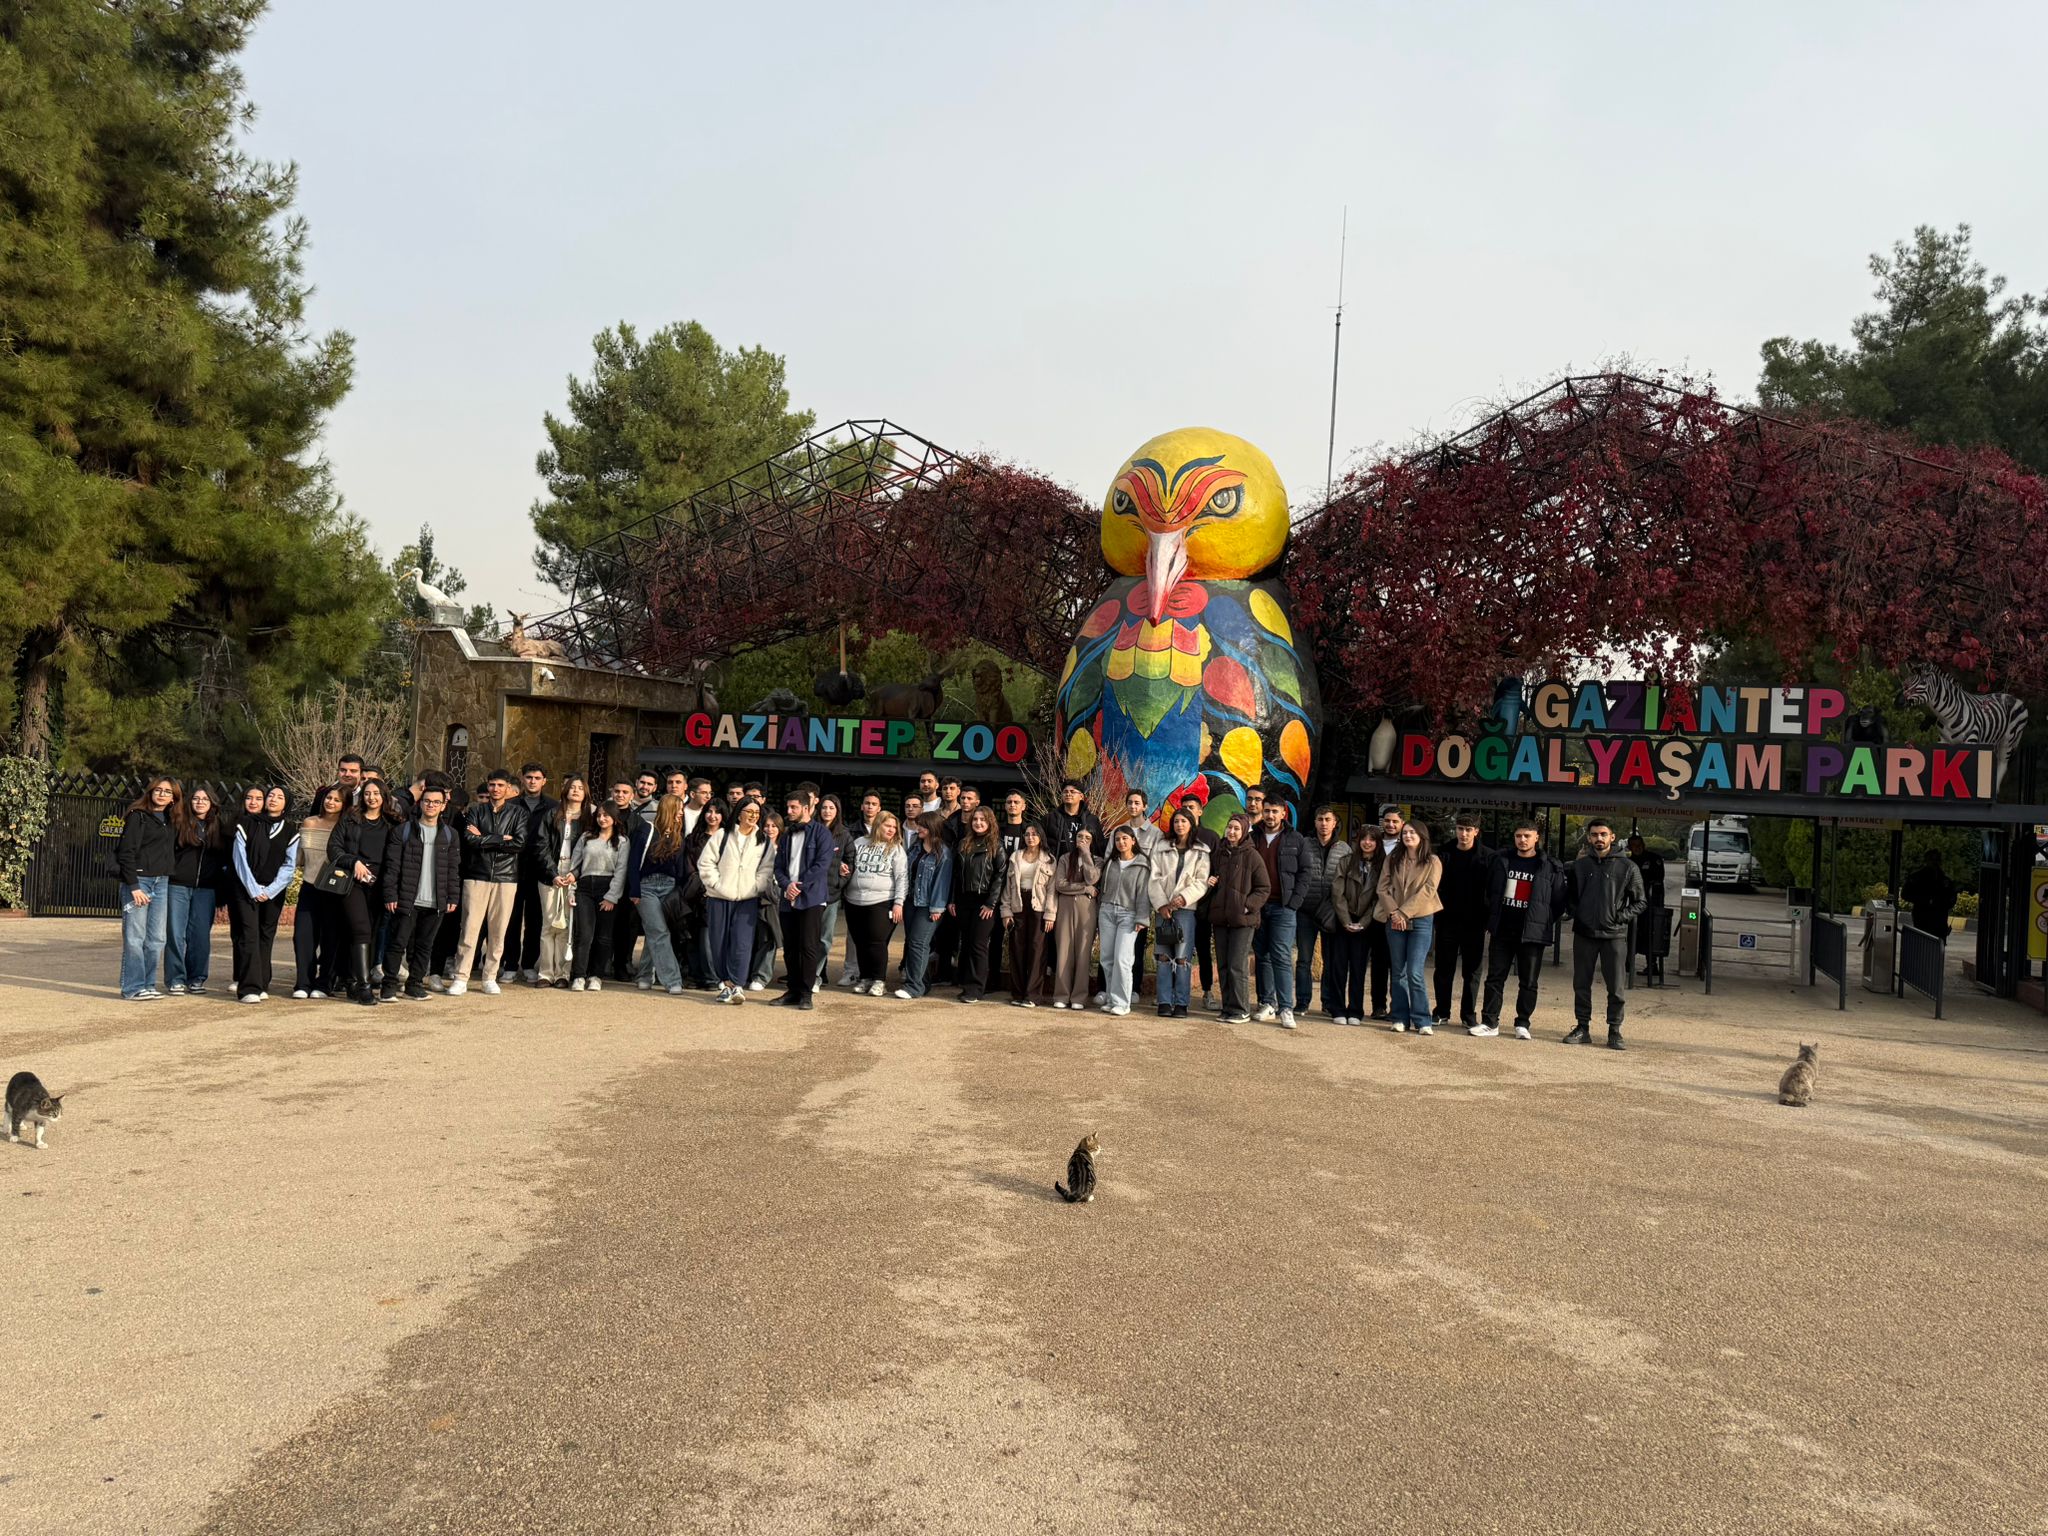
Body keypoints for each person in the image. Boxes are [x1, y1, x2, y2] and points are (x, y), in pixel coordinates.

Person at [436, 768, 529, 997]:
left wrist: (485, 839)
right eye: (491, 785)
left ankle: (490, 976)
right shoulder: (475, 812)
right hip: (476, 875)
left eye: (499, 785)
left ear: (508, 788)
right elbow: (470, 841)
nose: (495, 789)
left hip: (506, 878)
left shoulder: (518, 814)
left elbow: (518, 843)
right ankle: (461, 977)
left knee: (498, 930)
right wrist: (499, 838)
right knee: (469, 929)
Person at [1473, 820, 1566, 1040]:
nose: (1522, 840)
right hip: (1503, 930)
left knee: (1529, 981)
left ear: (1536, 838)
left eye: (1527, 836)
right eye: (1518, 836)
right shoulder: (1500, 860)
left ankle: (1522, 1023)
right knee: (1495, 978)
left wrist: (1543, 921)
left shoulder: (1550, 865)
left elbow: (1559, 900)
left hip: (1533, 934)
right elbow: (1488, 891)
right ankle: (1489, 1022)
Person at [1564, 818, 1646, 1049]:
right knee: (1581, 984)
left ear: (1612, 836)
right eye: (1594, 834)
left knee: (1616, 987)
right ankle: (1582, 1027)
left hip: (1614, 936)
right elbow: (1570, 897)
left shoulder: (1628, 867)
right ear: (1588, 838)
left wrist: (1618, 917)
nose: (1598, 838)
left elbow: (1640, 902)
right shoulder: (1579, 866)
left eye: (1603, 834)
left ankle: (1615, 1031)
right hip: (1584, 934)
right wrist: (1577, 913)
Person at [379, 779, 460, 1000]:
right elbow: (391, 866)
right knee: (397, 944)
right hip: (407, 898)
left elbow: (453, 869)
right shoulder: (403, 831)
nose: (431, 805)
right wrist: (390, 894)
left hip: (435, 901)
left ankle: (414, 984)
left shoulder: (450, 835)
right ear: (420, 803)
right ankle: (389, 985)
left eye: (436, 802)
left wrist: (452, 896)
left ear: (444, 806)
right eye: (427, 801)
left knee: (425, 946)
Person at [328, 777, 401, 1006]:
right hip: (353, 881)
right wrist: (353, 862)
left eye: (376, 793)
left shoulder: (393, 822)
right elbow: (334, 847)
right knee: (360, 929)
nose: (372, 797)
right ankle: (365, 986)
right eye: (368, 793)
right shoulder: (351, 818)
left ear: (384, 796)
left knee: (368, 934)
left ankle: (351, 979)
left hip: (380, 884)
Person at [699, 798, 773, 1003]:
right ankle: (726, 983)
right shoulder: (722, 835)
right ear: (739, 812)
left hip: (747, 899)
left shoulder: (763, 840)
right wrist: (716, 884)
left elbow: (766, 869)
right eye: (748, 811)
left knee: (742, 942)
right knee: (718, 941)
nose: (752, 815)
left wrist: (756, 887)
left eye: (756, 812)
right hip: (719, 898)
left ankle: (738, 984)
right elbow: (705, 863)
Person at [229, 785, 297, 1003]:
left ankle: (262, 982)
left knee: (266, 936)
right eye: (271, 796)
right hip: (246, 889)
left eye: (279, 797)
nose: (273, 799)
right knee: (249, 935)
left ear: (286, 803)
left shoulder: (291, 830)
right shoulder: (246, 824)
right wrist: (254, 889)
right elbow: (239, 858)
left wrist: (270, 890)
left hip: (273, 892)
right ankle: (249, 987)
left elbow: (290, 865)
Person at [773, 784, 836, 1010]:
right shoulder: (787, 834)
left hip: (811, 898)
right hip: (788, 897)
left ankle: (806, 993)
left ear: (807, 808)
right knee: (789, 947)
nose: (788, 811)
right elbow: (778, 866)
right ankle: (793, 990)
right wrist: (786, 885)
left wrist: (798, 885)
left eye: (793, 807)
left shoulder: (822, 833)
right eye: (788, 807)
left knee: (808, 947)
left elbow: (822, 865)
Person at [116, 777, 180, 1000]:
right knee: (135, 937)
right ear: (150, 792)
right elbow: (125, 853)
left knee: (157, 938)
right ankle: (132, 987)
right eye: (158, 790)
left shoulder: (171, 821)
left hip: (161, 882)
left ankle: (149, 984)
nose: (162, 794)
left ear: (174, 798)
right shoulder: (138, 817)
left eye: (167, 792)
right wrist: (133, 886)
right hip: (139, 882)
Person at [1379, 822, 1443, 1035]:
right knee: (1398, 971)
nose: (1407, 836)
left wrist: (1404, 913)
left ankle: (1422, 1019)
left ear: (1422, 835)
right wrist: (1394, 913)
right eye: (1405, 833)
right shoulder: (1393, 858)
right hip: (1395, 918)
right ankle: (1399, 1017)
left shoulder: (1433, 861)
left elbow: (1429, 890)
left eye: (1412, 832)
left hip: (1421, 918)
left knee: (1414, 971)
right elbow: (1383, 888)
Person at [1432, 812, 1495, 1029]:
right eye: (1460, 829)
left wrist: (1488, 919)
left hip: (1475, 923)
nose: (1464, 834)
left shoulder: (1488, 856)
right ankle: (1441, 1011)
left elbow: (1493, 890)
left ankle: (1468, 1014)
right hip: (1446, 920)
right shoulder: (1444, 853)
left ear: (1476, 832)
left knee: (1472, 972)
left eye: (1468, 830)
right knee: (1443, 968)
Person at [166, 785, 230, 996]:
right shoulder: (179, 823)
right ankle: (175, 979)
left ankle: (197, 978)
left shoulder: (218, 827)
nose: (200, 802)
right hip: (178, 885)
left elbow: (225, 859)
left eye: (205, 799)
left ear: (212, 803)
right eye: (196, 798)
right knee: (175, 934)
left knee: (200, 935)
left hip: (206, 889)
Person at [1251, 796, 1308, 1028]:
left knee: (1281, 956)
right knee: (1262, 956)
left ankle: (1286, 1007)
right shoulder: (1252, 837)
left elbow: (1305, 873)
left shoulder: (1295, 839)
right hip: (1258, 905)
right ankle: (1268, 1003)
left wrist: (1294, 902)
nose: (1270, 816)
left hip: (1283, 907)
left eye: (1275, 811)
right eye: (1267, 811)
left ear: (1284, 813)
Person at [1149, 809, 1210, 1018]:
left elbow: (1201, 881)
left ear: (1191, 823)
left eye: (1184, 821)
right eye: (1176, 821)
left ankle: (1182, 1003)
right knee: (1164, 956)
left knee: (1183, 958)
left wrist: (1183, 897)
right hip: (1163, 909)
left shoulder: (1201, 851)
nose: (1179, 825)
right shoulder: (1161, 848)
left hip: (1185, 909)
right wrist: (1162, 904)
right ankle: (1164, 1001)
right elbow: (1153, 878)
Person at [1210, 815, 1271, 1025]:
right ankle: (1227, 1006)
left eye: (1236, 828)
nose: (1232, 832)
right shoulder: (1219, 853)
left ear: (1244, 831)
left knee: (1237, 965)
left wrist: (1246, 906)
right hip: (1220, 917)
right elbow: (1212, 877)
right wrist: (1212, 882)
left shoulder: (1252, 856)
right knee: (1224, 965)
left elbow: (1264, 888)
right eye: (1229, 827)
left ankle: (1241, 1008)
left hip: (1243, 920)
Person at [628, 794, 690, 995]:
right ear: (669, 809)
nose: (681, 812)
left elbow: (680, 869)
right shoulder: (646, 830)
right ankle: (672, 980)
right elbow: (633, 862)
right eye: (678, 809)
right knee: (659, 932)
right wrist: (634, 890)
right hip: (646, 887)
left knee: (655, 932)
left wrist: (679, 892)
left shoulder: (679, 834)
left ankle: (644, 975)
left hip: (670, 888)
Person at [290, 784, 348, 999]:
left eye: (337, 799)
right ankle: (303, 983)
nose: (331, 802)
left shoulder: (346, 827)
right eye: (328, 798)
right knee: (302, 937)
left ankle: (324, 983)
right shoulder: (309, 822)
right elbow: (299, 858)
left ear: (345, 804)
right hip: (309, 886)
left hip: (334, 889)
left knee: (331, 938)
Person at [843, 811, 908, 998]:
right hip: (853, 900)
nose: (891, 830)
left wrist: (898, 903)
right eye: (888, 826)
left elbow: (902, 877)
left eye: (894, 827)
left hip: (881, 901)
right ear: (878, 825)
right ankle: (865, 978)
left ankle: (879, 980)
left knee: (876, 942)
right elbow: (848, 864)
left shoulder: (896, 848)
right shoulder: (858, 843)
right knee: (860, 941)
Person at [534, 774, 589, 988]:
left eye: (579, 788)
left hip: (574, 875)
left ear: (585, 793)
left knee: (567, 924)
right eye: (571, 787)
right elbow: (541, 845)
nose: (575, 790)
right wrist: (552, 873)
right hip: (551, 874)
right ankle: (545, 973)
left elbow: (590, 849)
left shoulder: (589, 819)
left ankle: (563, 973)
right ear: (565, 790)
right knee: (549, 925)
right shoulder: (552, 814)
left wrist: (575, 872)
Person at [950, 806, 1008, 1005]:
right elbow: (955, 875)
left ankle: (976, 989)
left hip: (984, 902)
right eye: (975, 819)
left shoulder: (996, 846)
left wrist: (991, 904)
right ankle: (965, 984)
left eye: (983, 820)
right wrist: (952, 900)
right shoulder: (963, 844)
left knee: (978, 945)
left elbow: (1000, 876)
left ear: (990, 822)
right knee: (965, 943)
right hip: (964, 901)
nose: (978, 823)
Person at [896, 813, 955, 1000]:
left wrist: (937, 908)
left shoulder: (943, 853)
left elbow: (942, 882)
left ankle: (914, 987)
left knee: (918, 943)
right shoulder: (915, 847)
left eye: (922, 826)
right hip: (911, 901)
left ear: (933, 828)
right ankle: (923, 983)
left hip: (929, 905)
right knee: (915, 943)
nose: (918, 828)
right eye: (918, 825)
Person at [1095, 825, 1152, 1017]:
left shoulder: (1142, 864)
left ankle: (1122, 1002)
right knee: (1107, 958)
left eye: (1125, 839)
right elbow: (1102, 889)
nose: (1121, 842)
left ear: (1133, 841)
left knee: (1123, 959)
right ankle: (1112, 999)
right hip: (1107, 911)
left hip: (1129, 914)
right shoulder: (1111, 862)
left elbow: (1144, 893)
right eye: (1118, 839)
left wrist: (1142, 917)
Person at [1298, 806, 1347, 1021]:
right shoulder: (1304, 844)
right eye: (1320, 819)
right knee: (1304, 960)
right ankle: (1302, 1001)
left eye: (1328, 819)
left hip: (1331, 912)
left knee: (1330, 959)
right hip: (1305, 910)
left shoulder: (1344, 849)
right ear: (1315, 822)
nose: (1324, 823)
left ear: (1335, 822)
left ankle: (1328, 1002)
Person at [999, 821, 1055, 1008]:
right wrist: (1005, 911)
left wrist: (1050, 914)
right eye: (1027, 834)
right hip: (1018, 904)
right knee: (1017, 948)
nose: (1030, 837)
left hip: (1038, 906)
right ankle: (1018, 993)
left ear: (1041, 837)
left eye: (1034, 834)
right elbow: (1008, 886)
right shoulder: (1015, 856)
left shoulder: (1049, 859)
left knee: (1037, 950)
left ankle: (1032, 995)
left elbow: (1052, 890)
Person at [1326, 826, 1375, 1025]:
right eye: (1364, 838)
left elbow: (1378, 898)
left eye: (1372, 839)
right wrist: (1346, 921)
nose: (1367, 842)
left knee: (1358, 967)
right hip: (1343, 921)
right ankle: (1337, 1007)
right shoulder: (1346, 862)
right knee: (1338, 966)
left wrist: (1362, 923)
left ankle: (1355, 1009)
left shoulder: (1381, 866)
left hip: (1365, 924)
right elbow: (1337, 893)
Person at [1048, 830, 1100, 1010]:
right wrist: (1084, 889)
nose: (1083, 840)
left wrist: (1086, 855)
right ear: (1074, 839)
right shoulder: (1064, 858)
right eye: (1080, 837)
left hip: (1087, 909)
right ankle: (1061, 994)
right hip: (1065, 907)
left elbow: (1092, 878)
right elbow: (1060, 885)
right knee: (1063, 950)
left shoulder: (1098, 860)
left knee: (1083, 953)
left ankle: (1079, 996)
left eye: (1087, 838)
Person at [1365, 804, 1406, 1020]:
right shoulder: (1374, 842)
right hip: (1377, 910)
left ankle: (1397, 1007)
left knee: (1397, 963)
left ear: (1403, 824)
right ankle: (1378, 1006)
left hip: (1400, 910)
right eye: (1387, 821)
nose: (1390, 825)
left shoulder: (1409, 843)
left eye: (1395, 821)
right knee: (1379, 961)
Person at [816, 795, 854, 988]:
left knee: (824, 939)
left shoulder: (844, 834)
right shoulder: (811, 829)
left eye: (831, 808)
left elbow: (850, 863)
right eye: (824, 807)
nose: (827, 811)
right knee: (807, 938)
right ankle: (805, 975)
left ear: (837, 810)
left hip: (831, 894)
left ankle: (815, 976)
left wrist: (840, 881)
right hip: (810, 893)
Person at [1627, 833, 1669, 984]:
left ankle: (1652, 965)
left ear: (1643, 845)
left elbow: (1658, 879)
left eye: (1639, 845)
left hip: (1652, 904)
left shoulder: (1654, 859)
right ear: (1630, 847)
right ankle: (1628, 962)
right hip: (1634, 904)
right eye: (1634, 845)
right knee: (1633, 933)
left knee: (1651, 933)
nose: (1637, 848)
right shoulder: (1629, 861)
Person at [750, 810, 784, 990]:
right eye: (767, 826)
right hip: (753, 894)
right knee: (754, 936)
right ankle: (750, 972)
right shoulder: (754, 846)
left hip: (775, 897)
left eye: (774, 826)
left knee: (769, 935)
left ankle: (761, 976)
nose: (770, 829)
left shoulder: (785, 848)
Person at [1902, 848, 1957, 942]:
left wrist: (1941, 904)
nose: (1934, 863)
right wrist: (1925, 901)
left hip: (1939, 921)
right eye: (1932, 860)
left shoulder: (1945, 880)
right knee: (1922, 947)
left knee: (1937, 949)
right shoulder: (1917, 878)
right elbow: (1905, 894)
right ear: (1926, 861)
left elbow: (1952, 898)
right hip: (1922, 920)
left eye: (1937, 860)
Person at [1044, 779, 1103, 857]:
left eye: (1072, 792)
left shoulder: (1092, 820)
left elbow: (1099, 846)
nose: (1068, 794)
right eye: (1065, 792)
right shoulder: (1050, 818)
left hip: (1083, 865)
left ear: (1081, 796)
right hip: (1057, 865)